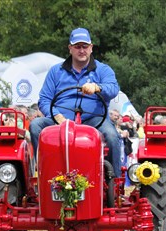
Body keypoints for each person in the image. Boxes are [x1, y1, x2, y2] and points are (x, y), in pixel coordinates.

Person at [29, 28, 122, 175]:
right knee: (35, 125)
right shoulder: (55, 71)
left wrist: (97, 87)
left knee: (111, 135)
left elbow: (113, 88)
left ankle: (114, 181)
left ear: (91, 48)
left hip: (93, 119)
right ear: (70, 49)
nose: (81, 50)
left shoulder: (103, 70)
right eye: (77, 46)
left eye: (85, 46)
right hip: (60, 120)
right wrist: (56, 115)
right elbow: (45, 99)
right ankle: (43, 173)